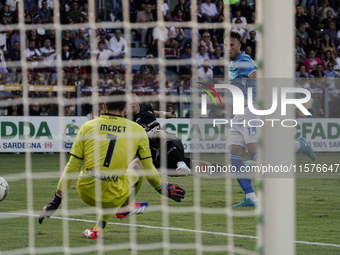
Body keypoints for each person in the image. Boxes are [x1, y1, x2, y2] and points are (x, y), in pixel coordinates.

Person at [38, 89, 186, 239]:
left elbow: (71, 167)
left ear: (103, 107)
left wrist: (56, 201)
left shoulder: (87, 127)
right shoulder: (137, 130)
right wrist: (162, 188)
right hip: (115, 195)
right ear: (125, 109)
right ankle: (124, 207)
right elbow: (149, 168)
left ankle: (98, 229)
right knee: (138, 165)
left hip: (85, 192)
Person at [225, 32, 316, 207]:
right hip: (240, 113)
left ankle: (297, 146)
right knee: (235, 157)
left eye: (233, 45)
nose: (229, 48)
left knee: (256, 155)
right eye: (227, 45)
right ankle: (251, 198)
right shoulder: (234, 63)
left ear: (239, 46)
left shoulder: (244, 62)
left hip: (250, 111)